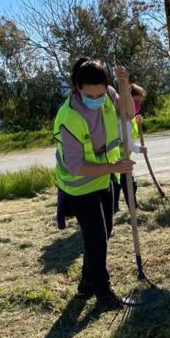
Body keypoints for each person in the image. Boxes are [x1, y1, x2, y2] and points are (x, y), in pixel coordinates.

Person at [53, 57, 139, 305]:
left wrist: (124, 84)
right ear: (77, 89)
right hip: (78, 184)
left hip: (103, 178)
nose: (95, 100)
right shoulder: (68, 117)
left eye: (100, 94)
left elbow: (127, 114)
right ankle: (104, 291)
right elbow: (75, 165)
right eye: (89, 95)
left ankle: (86, 282)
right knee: (97, 237)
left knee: (105, 231)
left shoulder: (110, 94)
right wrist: (114, 167)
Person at [114, 83, 147, 213]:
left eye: (140, 101)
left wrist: (136, 121)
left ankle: (126, 208)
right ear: (128, 100)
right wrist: (139, 149)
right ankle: (129, 208)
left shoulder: (129, 118)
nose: (138, 104)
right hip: (119, 159)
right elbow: (126, 142)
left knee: (125, 185)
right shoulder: (124, 120)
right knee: (126, 186)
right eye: (136, 101)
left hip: (122, 158)